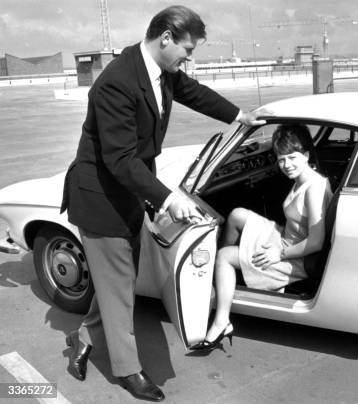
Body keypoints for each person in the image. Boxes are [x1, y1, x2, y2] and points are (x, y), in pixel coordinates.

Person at [59, 5, 266, 402]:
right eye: (187, 50)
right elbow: (119, 159)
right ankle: (129, 372)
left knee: (117, 285)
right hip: (102, 200)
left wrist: (239, 116)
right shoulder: (116, 83)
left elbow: (195, 93)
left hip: (132, 194)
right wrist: (169, 198)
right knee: (120, 288)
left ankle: (83, 338)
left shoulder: (162, 72)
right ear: (165, 37)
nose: (189, 58)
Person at [198, 124, 332, 352]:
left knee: (224, 256)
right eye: (281, 159)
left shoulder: (314, 188)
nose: (286, 165)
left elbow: (316, 242)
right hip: (284, 238)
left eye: (292, 157)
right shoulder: (306, 178)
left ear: (306, 155)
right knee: (237, 215)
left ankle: (222, 320)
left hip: (295, 257)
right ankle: (223, 277)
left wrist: (277, 253)